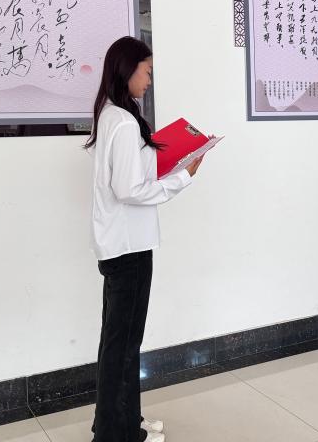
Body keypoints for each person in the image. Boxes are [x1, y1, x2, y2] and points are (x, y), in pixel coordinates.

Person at [85, 36, 205, 442]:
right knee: (122, 345)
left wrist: (169, 164)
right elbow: (128, 189)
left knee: (119, 343)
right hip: (128, 247)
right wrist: (182, 177)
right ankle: (115, 435)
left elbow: (129, 177)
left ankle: (122, 423)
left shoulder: (113, 115)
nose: (149, 80)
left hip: (122, 243)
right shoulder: (121, 121)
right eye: (147, 71)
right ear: (128, 70)